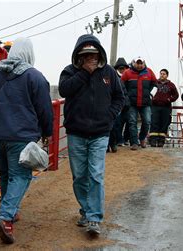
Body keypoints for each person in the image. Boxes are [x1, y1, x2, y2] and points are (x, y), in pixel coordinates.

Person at [0, 37, 53, 244]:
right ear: (29, 53)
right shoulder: (34, 76)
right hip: (21, 135)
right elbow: (45, 109)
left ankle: (12, 210)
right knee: (22, 175)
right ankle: (6, 217)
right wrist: (47, 131)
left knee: (6, 173)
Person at [58, 34, 125, 235]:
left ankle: (94, 217)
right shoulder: (70, 72)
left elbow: (120, 97)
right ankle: (86, 211)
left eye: (94, 54)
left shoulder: (109, 73)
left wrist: (109, 116)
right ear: (79, 55)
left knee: (95, 174)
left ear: (100, 53)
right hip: (76, 132)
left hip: (100, 133)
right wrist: (84, 73)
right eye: (86, 55)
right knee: (79, 176)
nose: (91, 58)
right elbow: (64, 90)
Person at [121, 57, 157, 150]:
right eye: (138, 63)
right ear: (134, 63)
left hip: (145, 103)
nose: (139, 65)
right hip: (132, 103)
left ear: (144, 63)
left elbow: (155, 84)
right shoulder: (127, 73)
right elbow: (121, 85)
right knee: (132, 122)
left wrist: (151, 94)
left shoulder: (149, 72)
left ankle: (142, 138)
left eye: (141, 63)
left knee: (147, 121)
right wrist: (126, 97)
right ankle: (134, 142)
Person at [149, 69, 179, 147]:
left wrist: (169, 99)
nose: (162, 75)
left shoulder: (171, 85)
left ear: (167, 75)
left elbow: (176, 95)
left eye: (164, 74)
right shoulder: (155, 83)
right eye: (161, 73)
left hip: (166, 107)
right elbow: (149, 92)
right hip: (155, 106)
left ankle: (161, 141)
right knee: (154, 122)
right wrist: (152, 99)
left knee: (164, 124)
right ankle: (153, 140)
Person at [108, 57, 130, 152]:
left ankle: (117, 142)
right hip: (113, 106)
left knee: (127, 123)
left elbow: (124, 93)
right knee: (114, 125)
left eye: (124, 68)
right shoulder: (114, 78)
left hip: (123, 105)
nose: (122, 70)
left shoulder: (127, 78)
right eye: (120, 68)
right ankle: (114, 143)